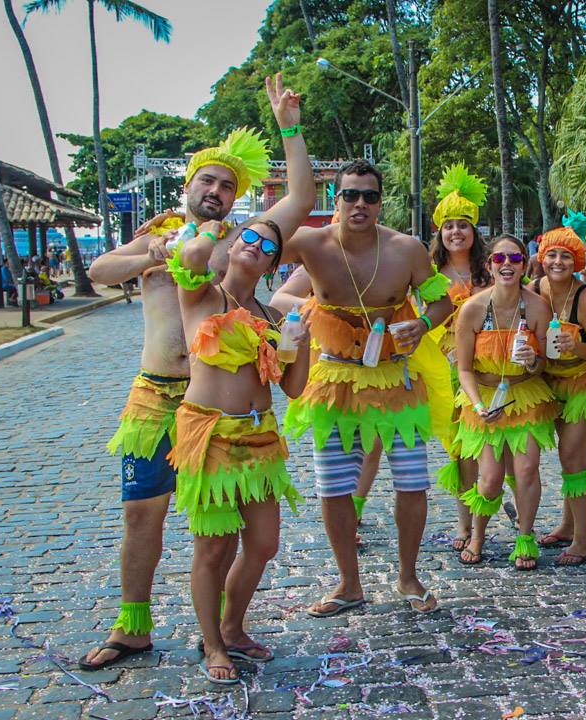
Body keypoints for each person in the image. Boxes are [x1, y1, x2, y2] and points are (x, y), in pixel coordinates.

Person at [79, 97, 269, 671]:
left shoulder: (239, 243)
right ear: (188, 185)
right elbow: (98, 271)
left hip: (215, 407)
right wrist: (150, 256)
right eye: (207, 180)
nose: (215, 190)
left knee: (219, 523)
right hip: (156, 394)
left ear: (235, 198)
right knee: (143, 514)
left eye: (226, 186)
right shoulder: (159, 235)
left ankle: (223, 630)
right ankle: (132, 625)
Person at [168, 75, 313, 683]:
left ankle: (234, 623)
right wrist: (207, 227)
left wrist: (298, 344)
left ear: (275, 262)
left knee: (264, 546)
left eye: (266, 243)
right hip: (210, 437)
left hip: (260, 439)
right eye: (245, 236)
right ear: (230, 248)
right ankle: (214, 644)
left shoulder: (269, 314)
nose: (254, 243)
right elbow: (192, 258)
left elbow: (296, 388)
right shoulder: (202, 295)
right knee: (214, 547)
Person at [281, 158, 454, 615]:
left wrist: (421, 323)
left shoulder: (406, 249)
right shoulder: (311, 243)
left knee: (412, 483)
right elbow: (254, 248)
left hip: (396, 379)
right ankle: (348, 584)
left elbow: (441, 301)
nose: (360, 203)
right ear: (334, 201)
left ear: (381, 202)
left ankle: (408, 578)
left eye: (369, 196)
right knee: (334, 488)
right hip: (336, 379)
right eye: (350, 195)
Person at [455, 235, 555, 569]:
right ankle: (478, 534)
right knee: (490, 479)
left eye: (515, 259)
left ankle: (525, 536)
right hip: (483, 398)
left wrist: (531, 361)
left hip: (525, 396)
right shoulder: (472, 309)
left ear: (525, 265)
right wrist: (477, 405)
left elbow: (545, 363)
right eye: (499, 259)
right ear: (489, 265)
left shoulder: (538, 307)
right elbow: (465, 369)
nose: (507, 265)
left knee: (527, 469)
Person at [269, 264, 383, 542]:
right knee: (337, 445)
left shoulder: (378, 259)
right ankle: (344, 515)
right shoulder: (318, 259)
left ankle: (355, 509)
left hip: (372, 361)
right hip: (329, 367)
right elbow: (280, 300)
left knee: (373, 442)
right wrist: (327, 308)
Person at [427, 164, 496, 551]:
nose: (456, 232)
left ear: (474, 231)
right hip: (445, 370)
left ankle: (505, 513)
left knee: (491, 443)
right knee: (458, 448)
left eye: (463, 225)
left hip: (487, 368)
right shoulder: (429, 274)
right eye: (449, 225)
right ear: (440, 232)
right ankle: (463, 522)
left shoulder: (490, 271)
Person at [531, 223, 586, 566]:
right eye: (552, 255)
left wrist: (578, 345)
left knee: (572, 455)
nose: (558, 261)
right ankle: (567, 525)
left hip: (582, 383)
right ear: (542, 258)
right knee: (564, 457)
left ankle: (583, 539)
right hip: (546, 384)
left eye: (566, 256)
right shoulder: (533, 288)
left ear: (577, 262)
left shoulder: (584, 295)